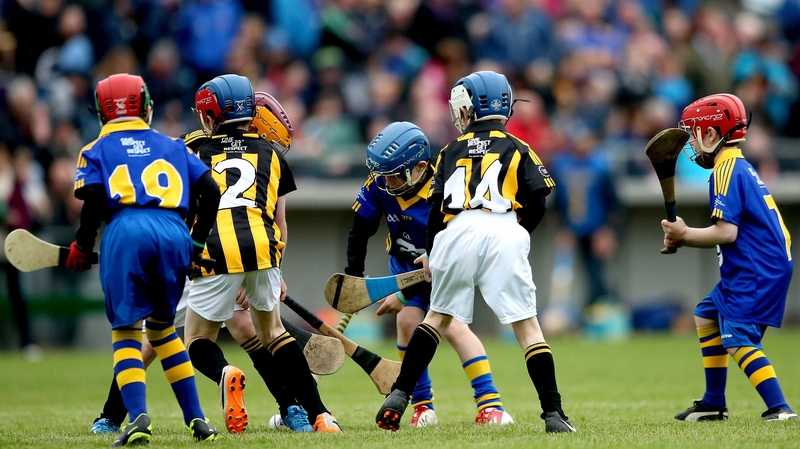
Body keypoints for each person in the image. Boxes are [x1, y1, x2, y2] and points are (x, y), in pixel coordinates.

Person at [90, 90, 316, 435]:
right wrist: (264, 269)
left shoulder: (191, 141)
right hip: (210, 253)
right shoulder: (256, 153)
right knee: (167, 335)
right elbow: (276, 221)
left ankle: (289, 407)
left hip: (194, 251)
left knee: (178, 333)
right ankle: (295, 409)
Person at [375, 70, 576, 433]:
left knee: (436, 319)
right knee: (529, 328)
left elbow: (436, 210)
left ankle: (400, 394)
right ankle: (553, 414)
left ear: (465, 109)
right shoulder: (519, 146)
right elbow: (540, 199)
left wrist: (433, 252)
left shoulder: (449, 150)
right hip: (503, 228)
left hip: (457, 230)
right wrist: (518, 230)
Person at [67, 73, 221, 446]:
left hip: (126, 230)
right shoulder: (174, 144)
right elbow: (211, 191)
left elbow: (91, 207)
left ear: (102, 111)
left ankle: (136, 417)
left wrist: (82, 246)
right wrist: (195, 243)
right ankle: (198, 420)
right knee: (164, 330)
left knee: (126, 331)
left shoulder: (95, 149)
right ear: (147, 107)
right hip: (174, 231)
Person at [185, 74, 342, 433]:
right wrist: (274, 267)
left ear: (211, 116)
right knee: (273, 332)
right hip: (262, 248)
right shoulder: (271, 153)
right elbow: (280, 221)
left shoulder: (194, 152)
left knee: (196, 339)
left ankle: (226, 373)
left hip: (213, 250)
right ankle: (319, 415)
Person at [346, 121, 513, 427]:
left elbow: (452, 246)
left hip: (445, 262)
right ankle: (423, 407)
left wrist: (401, 293)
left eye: (394, 176)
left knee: (452, 327)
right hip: (405, 264)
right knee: (408, 322)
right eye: (382, 176)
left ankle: (491, 404)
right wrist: (354, 278)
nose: (386, 183)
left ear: (420, 167)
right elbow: (359, 231)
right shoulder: (380, 184)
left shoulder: (447, 182)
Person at [663, 93, 797, 422]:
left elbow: (726, 233)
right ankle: (713, 402)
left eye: (694, 134)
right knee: (706, 315)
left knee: (737, 337)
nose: (692, 144)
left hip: (756, 269)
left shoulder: (726, 171)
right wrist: (685, 237)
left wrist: (684, 234)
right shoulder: (738, 166)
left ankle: (780, 409)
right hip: (760, 265)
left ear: (711, 135)